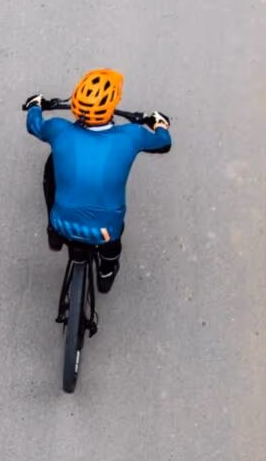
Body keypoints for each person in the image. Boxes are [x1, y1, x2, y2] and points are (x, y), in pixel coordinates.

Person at [23, 68, 172, 293]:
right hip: (105, 231)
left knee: (51, 165)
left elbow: (33, 124)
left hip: (61, 222)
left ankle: (54, 235)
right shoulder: (131, 135)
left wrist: (36, 104)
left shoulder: (58, 130)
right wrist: (159, 123)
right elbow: (163, 142)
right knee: (113, 236)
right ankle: (107, 269)